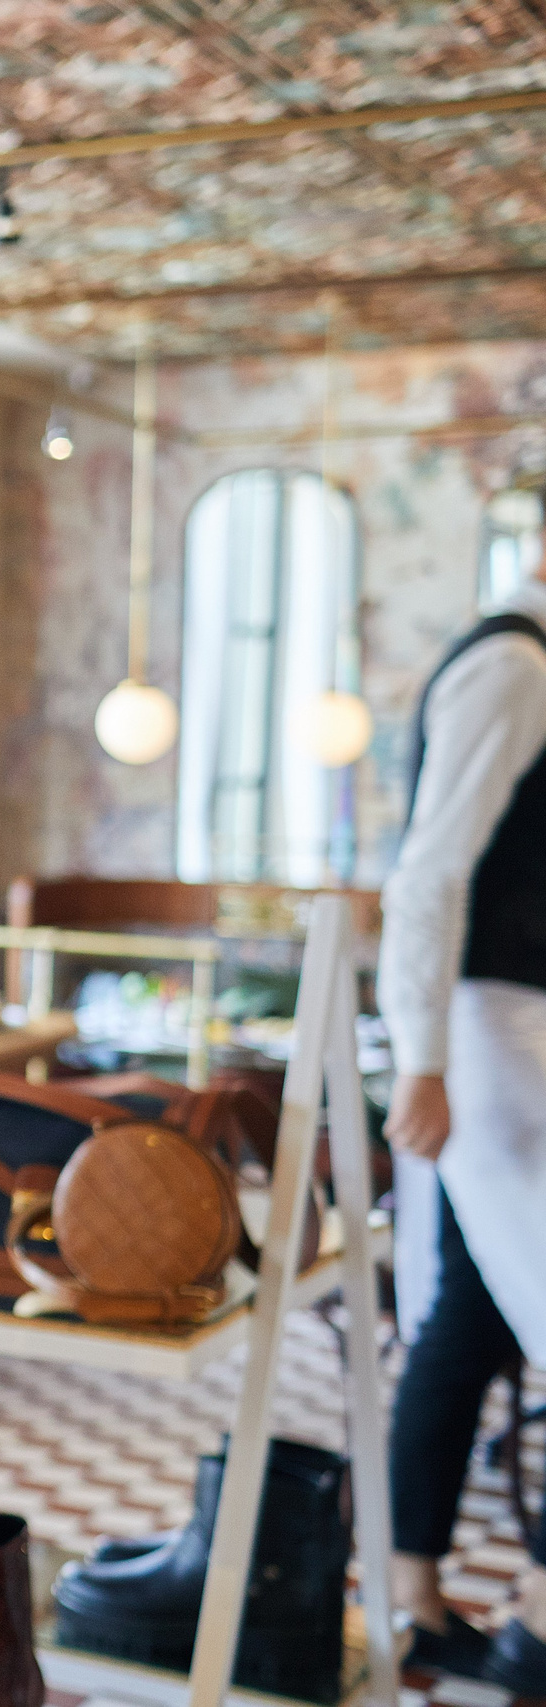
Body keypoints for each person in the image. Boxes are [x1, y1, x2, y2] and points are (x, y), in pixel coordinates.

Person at [376, 548, 546, 1691]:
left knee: (469, 1323)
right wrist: (422, 1061)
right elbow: (429, 877)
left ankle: (414, 1602)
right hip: (490, 1036)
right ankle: (533, 1618)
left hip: (501, 1031)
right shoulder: (515, 664)